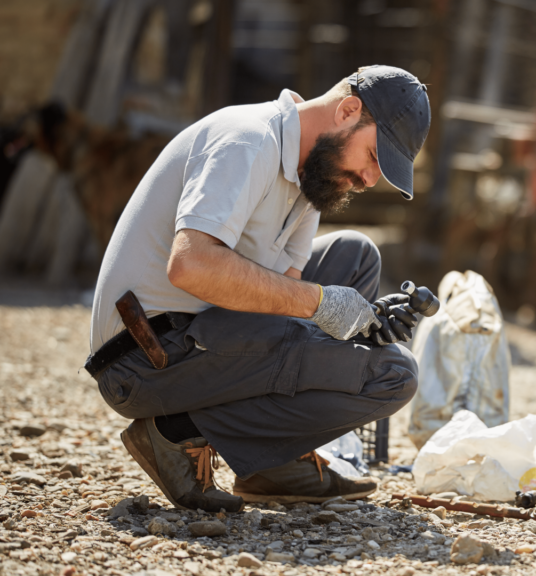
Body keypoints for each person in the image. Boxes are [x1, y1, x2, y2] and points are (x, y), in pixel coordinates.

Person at [83, 66, 430, 512]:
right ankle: (173, 430)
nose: (369, 179)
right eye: (375, 157)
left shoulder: (309, 177)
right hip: (143, 359)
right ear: (348, 111)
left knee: (355, 255)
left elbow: (285, 301)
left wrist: (368, 321)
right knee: (393, 376)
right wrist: (325, 305)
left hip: (204, 334)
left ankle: (269, 466)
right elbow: (191, 265)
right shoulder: (247, 139)